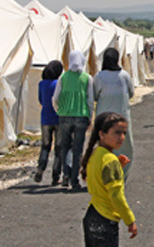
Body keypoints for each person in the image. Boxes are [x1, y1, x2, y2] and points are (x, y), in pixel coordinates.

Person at [81, 112, 137, 246]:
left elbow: (98, 179)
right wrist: (130, 220)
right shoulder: (110, 161)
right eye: (117, 133)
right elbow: (116, 196)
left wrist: (119, 167)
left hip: (92, 215)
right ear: (102, 134)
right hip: (105, 218)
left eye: (124, 133)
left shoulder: (96, 154)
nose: (122, 137)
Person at [53, 50, 94, 190]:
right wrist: (90, 116)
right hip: (81, 115)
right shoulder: (87, 78)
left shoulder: (63, 77)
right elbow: (90, 99)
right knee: (78, 149)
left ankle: (66, 175)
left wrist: (59, 110)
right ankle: (74, 179)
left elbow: (55, 98)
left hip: (64, 116)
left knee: (65, 147)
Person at [94, 48, 135, 181]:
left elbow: (95, 95)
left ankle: (105, 176)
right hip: (122, 116)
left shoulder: (99, 76)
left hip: (103, 117)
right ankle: (121, 175)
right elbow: (131, 93)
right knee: (125, 147)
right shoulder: (124, 75)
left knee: (105, 148)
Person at [35, 60, 64, 185]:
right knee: (59, 149)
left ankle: (40, 168)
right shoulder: (59, 84)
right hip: (58, 118)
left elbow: (41, 100)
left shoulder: (41, 84)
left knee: (45, 146)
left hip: (45, 119)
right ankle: (55, 176)